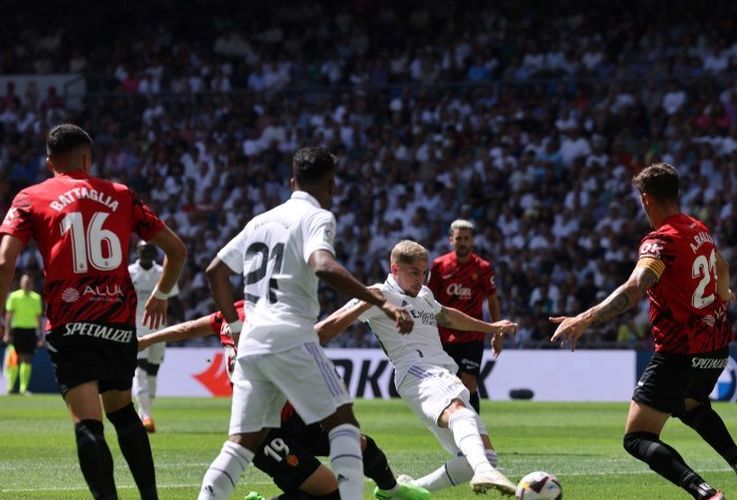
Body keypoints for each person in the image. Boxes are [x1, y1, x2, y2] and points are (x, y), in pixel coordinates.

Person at [197, 146, 414, 500]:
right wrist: (380, 301)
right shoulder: (317, 217)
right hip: (291, 336)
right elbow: (323, 265)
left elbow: (215, 272)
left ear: (291, 181)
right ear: (331, 185)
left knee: (240, 444)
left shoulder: (259, 221)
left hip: (251, 344)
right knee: (344, 424)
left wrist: (236, 329)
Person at [0, 124, 187, 499]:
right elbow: (177, 249)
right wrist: (162, 293)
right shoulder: (120, 193)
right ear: (88, 158)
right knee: (123, 412)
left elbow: (5, 261)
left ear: (49, 161)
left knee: (88, 424)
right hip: (117, 323)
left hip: (70, 324)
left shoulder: (30, 197)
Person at [550, 163, 737, 500]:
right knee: (691, 406)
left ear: (646, 199)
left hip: (680, 352)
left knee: (637, 437)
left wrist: (584, 318)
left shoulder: (660, 241)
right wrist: (723, 293)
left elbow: (635, 287)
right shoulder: (698, 228)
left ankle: (706, 494)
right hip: (716, 348)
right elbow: (722, 266)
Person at [138, 300, 430, 500]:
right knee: (332, 493)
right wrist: (363, 303)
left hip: (296, 416)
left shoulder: (234, 314)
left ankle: (391, 490)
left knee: (359, 443)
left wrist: (148, 340)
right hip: (265, 431)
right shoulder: (267, 323)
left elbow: (189, 328)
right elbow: (321, 334)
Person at [316, 240, 519, 496]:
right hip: (416, 368)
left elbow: (447, 315)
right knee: (459, 411)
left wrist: (491, 327)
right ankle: (484, 472)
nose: (420, 279)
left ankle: (409, 490)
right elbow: (329, 325)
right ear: (394, 269)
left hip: (441, 372)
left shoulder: (424, 295)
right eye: (414, 272)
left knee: (484, 454)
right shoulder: (378, 293)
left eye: (424, 273)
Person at [427, 219, 501, 414]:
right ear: (451, 239)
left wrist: (497, 333)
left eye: (466, 238)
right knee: (449, 385)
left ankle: (476, 429)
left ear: (472, 241)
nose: (462, 242)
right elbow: (427, 299)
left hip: (472, 334)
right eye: (458, 238)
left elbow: (493, 300)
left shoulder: (483, 267)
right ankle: (455, 427)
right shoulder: (438, 266)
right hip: (444, 334)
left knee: (469, 381)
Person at [129, 240, 184, 432]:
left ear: (155, 253)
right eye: (143, 249)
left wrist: (183, 322)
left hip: (160, 329)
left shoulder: (163, 272)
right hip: (137, 328)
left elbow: (175, 298)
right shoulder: (129, 273)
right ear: (137, 251)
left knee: (152, 372)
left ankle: (146, 411)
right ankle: (145, 415)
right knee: (140, 369)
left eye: (150, 249)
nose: (147, 253)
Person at [3, 273, 43, 394]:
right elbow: (9, 316)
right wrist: (7, 333)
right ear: (21, 283)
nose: (27, 284)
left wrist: (40, 335)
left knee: (27, 359)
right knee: (14, 359)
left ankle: (23, 388)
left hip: (30, 331)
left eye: (29, 283)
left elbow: (38, 317)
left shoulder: (36, 298)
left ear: (31, 284)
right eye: (25, 282)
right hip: (17, 330)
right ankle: (10, 387)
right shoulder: (14, 296)